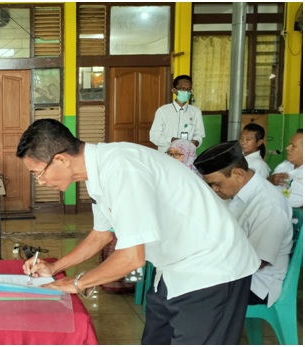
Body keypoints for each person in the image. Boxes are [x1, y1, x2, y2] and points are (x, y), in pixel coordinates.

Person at [17, 119, 260, 344]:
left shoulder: (122, 168)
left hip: (212, 271)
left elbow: (132, 256)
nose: (40, 182)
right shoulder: (98, 173)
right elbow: (102, 234)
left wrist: (78, 282)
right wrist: (54, 267)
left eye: (38, 173)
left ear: (61, 159)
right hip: (174, 270)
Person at [194, 141, 292, 307]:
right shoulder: (239, 194)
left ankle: (206, 332)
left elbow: (257, 262)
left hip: (256, 283)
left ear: (238, 174)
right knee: (175, 278)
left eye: (217, 184)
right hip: (237, 272)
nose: (214, 190)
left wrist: (208, 262)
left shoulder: (268, 205)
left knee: (187, 291)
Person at [149, 75, 205, 153]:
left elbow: (199, 135)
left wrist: (196, 142)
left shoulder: (196, 112)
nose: (186, 92)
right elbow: (154, 136)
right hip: (167, 155)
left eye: (188, 89)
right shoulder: (163, 111)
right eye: (183, 89)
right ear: (174, 90)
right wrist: (172, 140)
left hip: (187, 156)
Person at [268, 129, 303, 208]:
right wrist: (270, 180)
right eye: (289, 144)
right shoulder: (283, 166)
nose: (287, 148)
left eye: (293, 146)